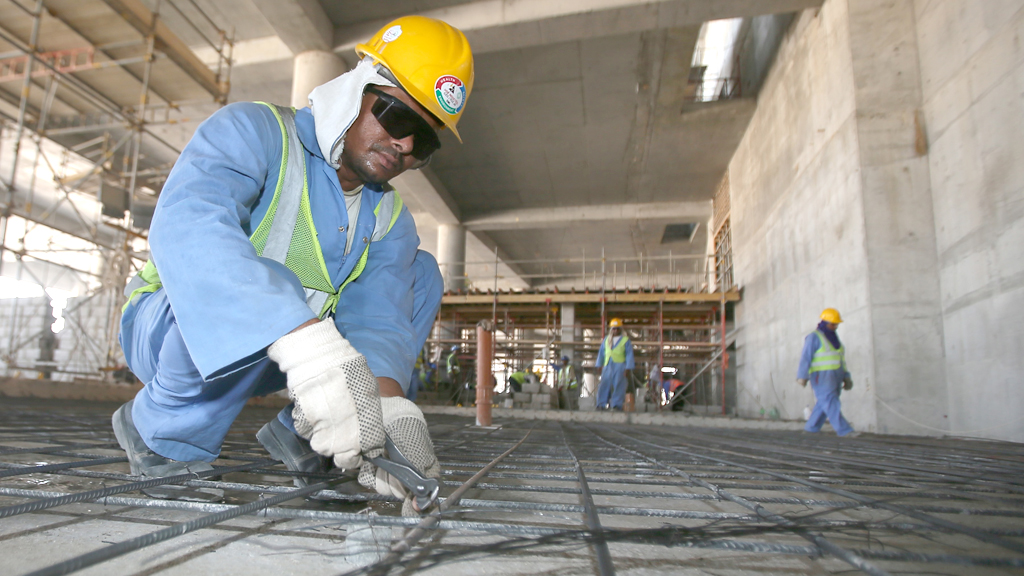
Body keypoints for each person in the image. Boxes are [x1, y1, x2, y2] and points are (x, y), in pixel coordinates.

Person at [112, 16, 475, 512]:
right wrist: (307, 345)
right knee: (274, 281)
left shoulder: (390, 216)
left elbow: (380, 319)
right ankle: (164, 432)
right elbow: (189, 227)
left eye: (425, 141)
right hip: (176, 334)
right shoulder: (253, 131)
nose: (407, 145)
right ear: (355, 90)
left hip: (290, 361)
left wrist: (388, 412)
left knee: (422, 274)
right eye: (397, 118)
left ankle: (318, 441)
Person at [797, 308, 856, 437]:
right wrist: (802, 376)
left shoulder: (835, 339)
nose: (835, 327)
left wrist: (846, 377)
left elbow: (841, 359)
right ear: (824, 322)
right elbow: (806, 357)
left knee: (824, 402)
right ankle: (845, 430)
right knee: (830, 402)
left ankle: (811, 428)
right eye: (833, 324)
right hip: (821, 376)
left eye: (836, 324)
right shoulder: (814, 337)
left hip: (836, 376)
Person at [594, 318, 634, 410]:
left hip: (620, 366)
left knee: (619, 385)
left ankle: (616, 405)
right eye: (614, 328)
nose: (615, 330)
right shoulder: (606, 340)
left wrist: (628, 368)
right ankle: (601, 404)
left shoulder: (625, 340)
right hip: (607, 365)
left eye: (617, 328)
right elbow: (601, 353)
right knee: (604, 384)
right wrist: (599, 365)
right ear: (611, 329)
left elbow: (629, 354)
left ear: (621, 329)